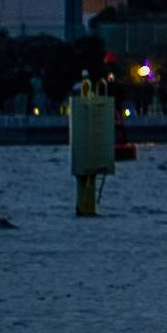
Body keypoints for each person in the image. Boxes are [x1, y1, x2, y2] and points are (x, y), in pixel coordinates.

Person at [65, 66, 126, 219]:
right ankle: (86, 209)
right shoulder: (94, 89)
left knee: (86, 179)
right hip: (93, 150)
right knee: (88, 180)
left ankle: (84, 209)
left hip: (85, 151)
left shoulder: (84, 90)